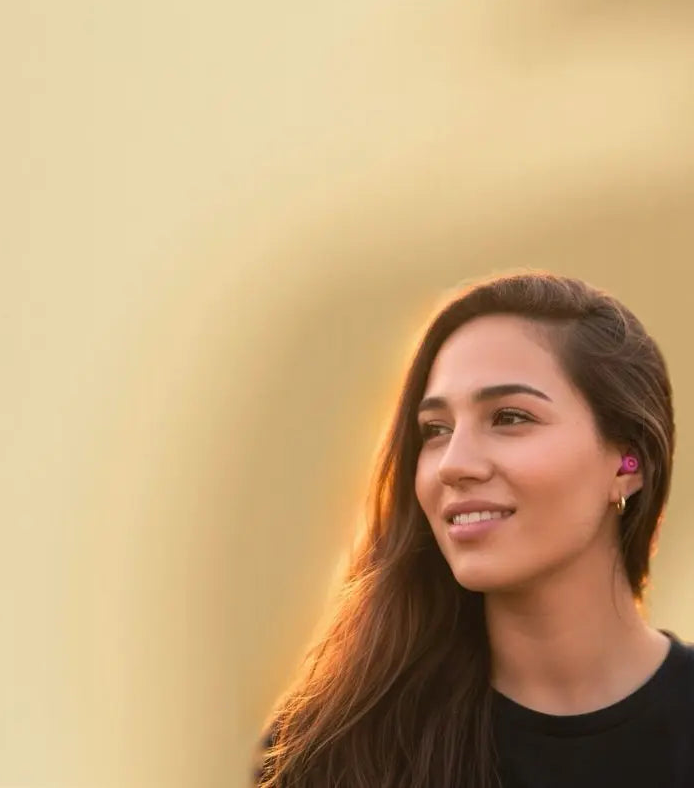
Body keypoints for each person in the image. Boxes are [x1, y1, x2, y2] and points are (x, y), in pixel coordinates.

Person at [254, 270, 693, 788]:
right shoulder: (326, 751)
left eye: (509, 417)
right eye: (436, 430)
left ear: (628, 463)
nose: (453, 464)